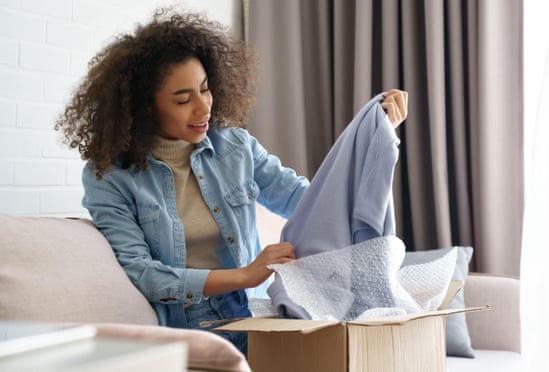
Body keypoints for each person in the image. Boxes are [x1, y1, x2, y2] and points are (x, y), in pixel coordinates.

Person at [55, 7, 408, 355]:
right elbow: (144, 273)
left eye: (205, 90)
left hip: (256, 316)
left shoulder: (235, 147)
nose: (203, 107)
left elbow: (311, 201)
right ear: (146, 107)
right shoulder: (111, 177)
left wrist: (373, 137)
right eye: (183, 99)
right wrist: (246, 274)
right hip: (190, 330)